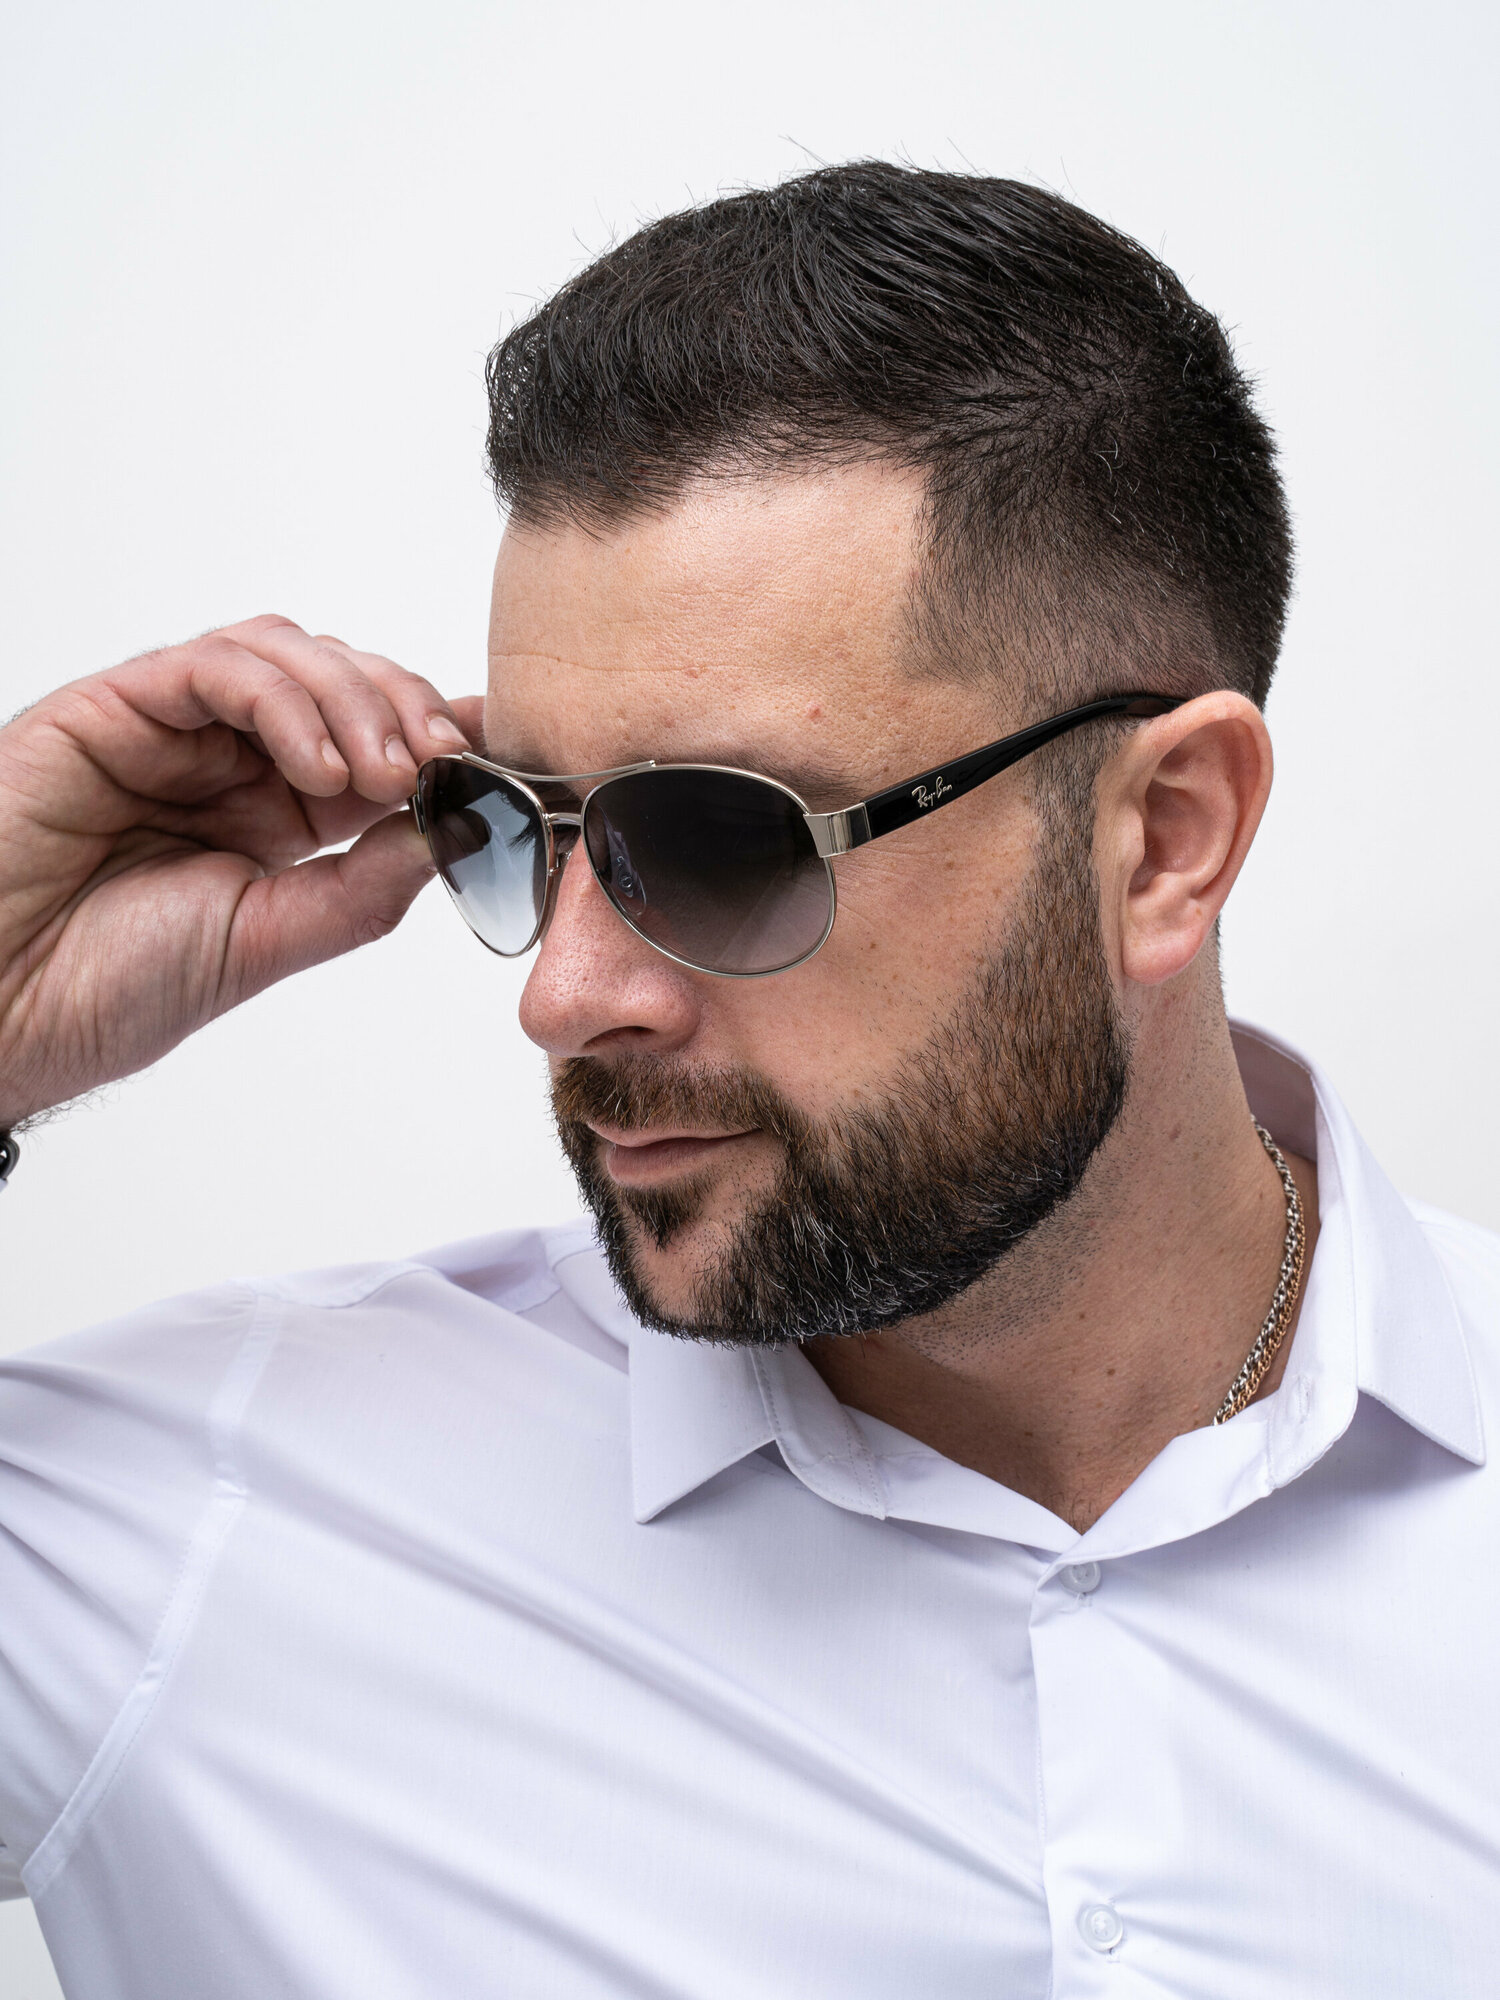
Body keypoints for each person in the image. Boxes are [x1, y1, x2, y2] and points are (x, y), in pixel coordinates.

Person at [0, 163, 1495, 2000]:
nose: (563, 996)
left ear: (1164, 838)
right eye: (514, 823)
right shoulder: (216, 1525)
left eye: (717, 842)